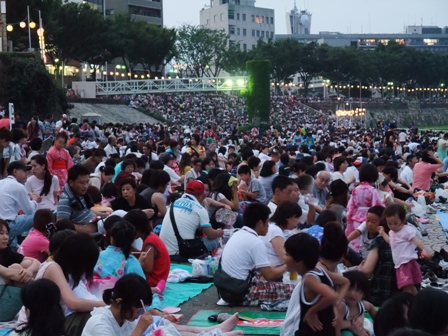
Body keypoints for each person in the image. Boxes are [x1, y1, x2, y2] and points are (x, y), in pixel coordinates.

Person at [82, 273, 243, 336]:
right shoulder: (99, 324)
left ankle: (210, 334)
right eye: (137, 308)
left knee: (166, 331)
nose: (139, 313)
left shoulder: (124, 317)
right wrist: (140, 329)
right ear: (120, 301)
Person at [17, 233, 105, 336]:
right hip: (36, 326)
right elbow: (73, 303)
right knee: (91, 317)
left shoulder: (69, 272)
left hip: (51, 324)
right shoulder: (53, 268)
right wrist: (106, 304)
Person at [218, 203, 293, 306]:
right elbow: (269, 276)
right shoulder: (256, 242)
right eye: (267, 222)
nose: (268, 225)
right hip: (241, 293)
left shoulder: (238, 234)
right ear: (260, 223)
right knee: (293, 290)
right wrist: (288, 265)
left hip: (226, 289)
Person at [282, 232, 349, 336]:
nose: (284, 258)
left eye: (287, 255)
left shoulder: (309, 278)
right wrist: (334, 306)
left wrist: (311, 312)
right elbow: (345, 282)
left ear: (299, 259)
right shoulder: (320, 270)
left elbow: (331, 295)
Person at [159, 180, 223, 258]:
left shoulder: (174, 203)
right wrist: (219, 232)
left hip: (163, 250)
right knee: (214, 241)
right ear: (201, 195)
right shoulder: (200, 209)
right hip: (181, 252)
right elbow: (211, 235)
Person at [381, 204, 432, 295]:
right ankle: (416, 301)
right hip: (399, 263)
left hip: (406, 262)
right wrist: (382, 233)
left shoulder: (406, 230)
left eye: (395, 223)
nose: (392, 226)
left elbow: (416, 240)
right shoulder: (392, 233)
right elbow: (390, 241)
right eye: (389, 223)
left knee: (406, 286)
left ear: (403, 220)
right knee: (409, 285)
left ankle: (411, 303)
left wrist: (424, 249)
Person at [93, 220, 145, 292]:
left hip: (93, 295)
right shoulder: (130, 261)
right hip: (119, 299)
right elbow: (142, 287)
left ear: (112, 238)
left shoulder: (97, 255)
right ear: (132, 241)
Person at [124, 210, 170, 291]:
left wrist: (137, 262)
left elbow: (148, 268)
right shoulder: (151, 236)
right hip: (159, 278)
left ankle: (154, 290)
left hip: (154, 280)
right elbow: (144, 255)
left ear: (137, 228)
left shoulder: (150, 242)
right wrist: (130, 248)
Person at [346, 164, 384, 251]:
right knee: (366, 241)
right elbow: (377, 206)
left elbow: (350, 206)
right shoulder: (372, 190)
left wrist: (349, 220)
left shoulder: (356, 189)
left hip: (356, 217)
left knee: (356, 239)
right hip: (370, 218)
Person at [0, 161, 39, 246]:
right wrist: (35, 201)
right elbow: (29, 210)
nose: (27, 173)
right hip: (8, 225)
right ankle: (32, 244)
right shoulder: (18, 186)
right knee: (39, 216)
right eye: (24, 171)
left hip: (4, 224)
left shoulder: (1, 182)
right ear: (15, 172)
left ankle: (13, 246)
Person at [260, 201, 302, 267]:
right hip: (273, 270)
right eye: (297, 217)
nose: (298, 221)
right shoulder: (275, 230)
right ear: (288, 218)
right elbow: (285, 258)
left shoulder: (274, 228)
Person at [57, 165, 97, 233]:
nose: (85, 186)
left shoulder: (80, 194)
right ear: (71, 182)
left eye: (87, 182)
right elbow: (61, 225)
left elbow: (85, 212)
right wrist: (85, 228)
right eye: (81, 183)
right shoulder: (65, 200)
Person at [336, 271, 377, 335]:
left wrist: (378, 325)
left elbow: (371, 307)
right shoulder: (342, 306)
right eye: (349, 289)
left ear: (363, 294)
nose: (352, 293)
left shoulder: (361, 304)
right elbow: (337, 326)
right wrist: (351, 324)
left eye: (357, 290)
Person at [0, 220, 40, 286]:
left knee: (27, 263)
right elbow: (8, 273)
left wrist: (30, 270)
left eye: (7, 233)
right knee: (16, 267)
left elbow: (36, 261)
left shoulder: (5, 250)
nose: (6, 237)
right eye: (1, 233)